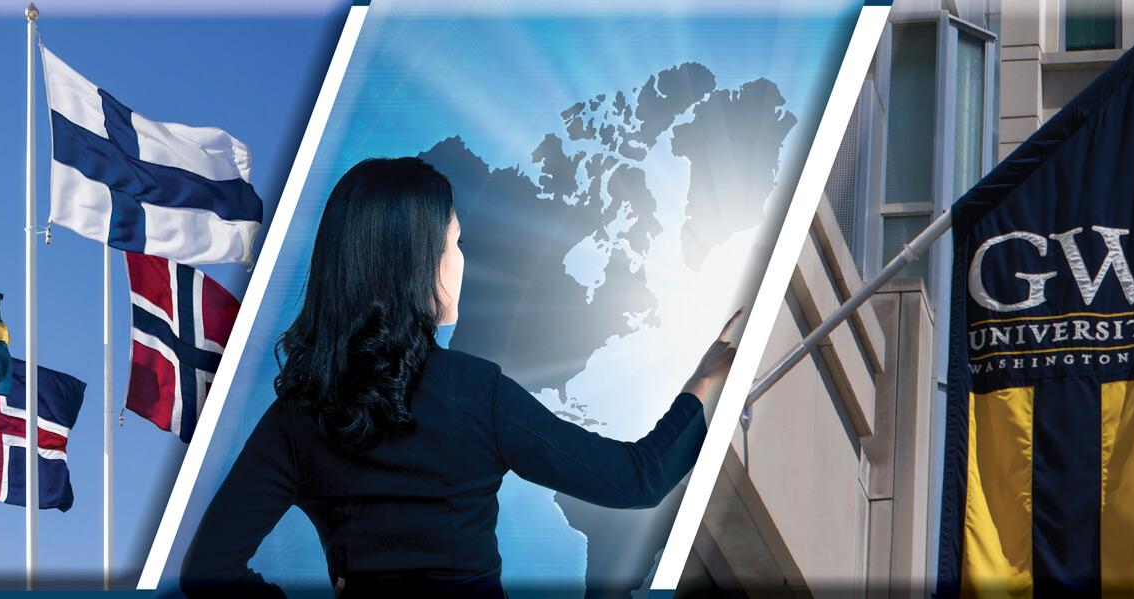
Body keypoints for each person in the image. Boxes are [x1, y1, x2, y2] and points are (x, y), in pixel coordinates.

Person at [178, 157, 738, 598]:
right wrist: (705, 379)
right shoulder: (475, 392)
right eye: (454, 243)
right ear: (418, 264)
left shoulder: (297, 419)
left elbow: (207, 571)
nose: (462, 261)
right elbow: (636, 479)